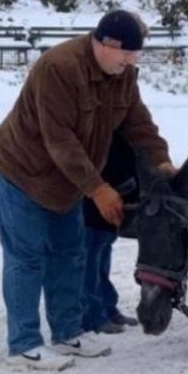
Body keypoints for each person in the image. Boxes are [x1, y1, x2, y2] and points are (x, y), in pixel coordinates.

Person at [0, 9, 175, 370]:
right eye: (127, 54)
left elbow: (140, 126)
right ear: (107, 44)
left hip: (68, 183)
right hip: (24, 173)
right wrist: (98, 189)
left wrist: (163, 163)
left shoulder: (124, 76)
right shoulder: (58, 67)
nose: (132, 62)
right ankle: (23, 344)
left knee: (70, 255)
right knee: (26, 259)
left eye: (136, 56)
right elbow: (59, 140)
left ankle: (67, 333)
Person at [81, 131, 140, 335]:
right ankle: (93, 316)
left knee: (102, 258)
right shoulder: (98, 130)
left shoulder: (121, 125)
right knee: (90, 261)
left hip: (114, 205)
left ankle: (108, 308)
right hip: (93, 203)